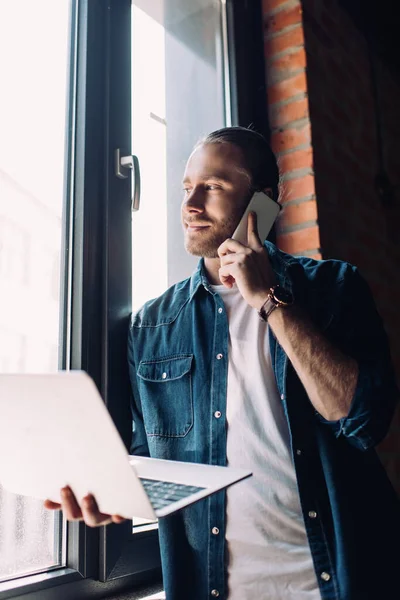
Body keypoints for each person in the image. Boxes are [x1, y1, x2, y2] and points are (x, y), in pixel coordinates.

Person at [45, 127, 400, 600]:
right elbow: (145, 460)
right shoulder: (153, 325)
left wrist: (269, 301)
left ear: (264, 202)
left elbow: (361, 418)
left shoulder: (334, 288)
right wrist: (106, 493)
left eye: (212, 187)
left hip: (342, 583)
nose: (190, 204)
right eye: (186, 188)